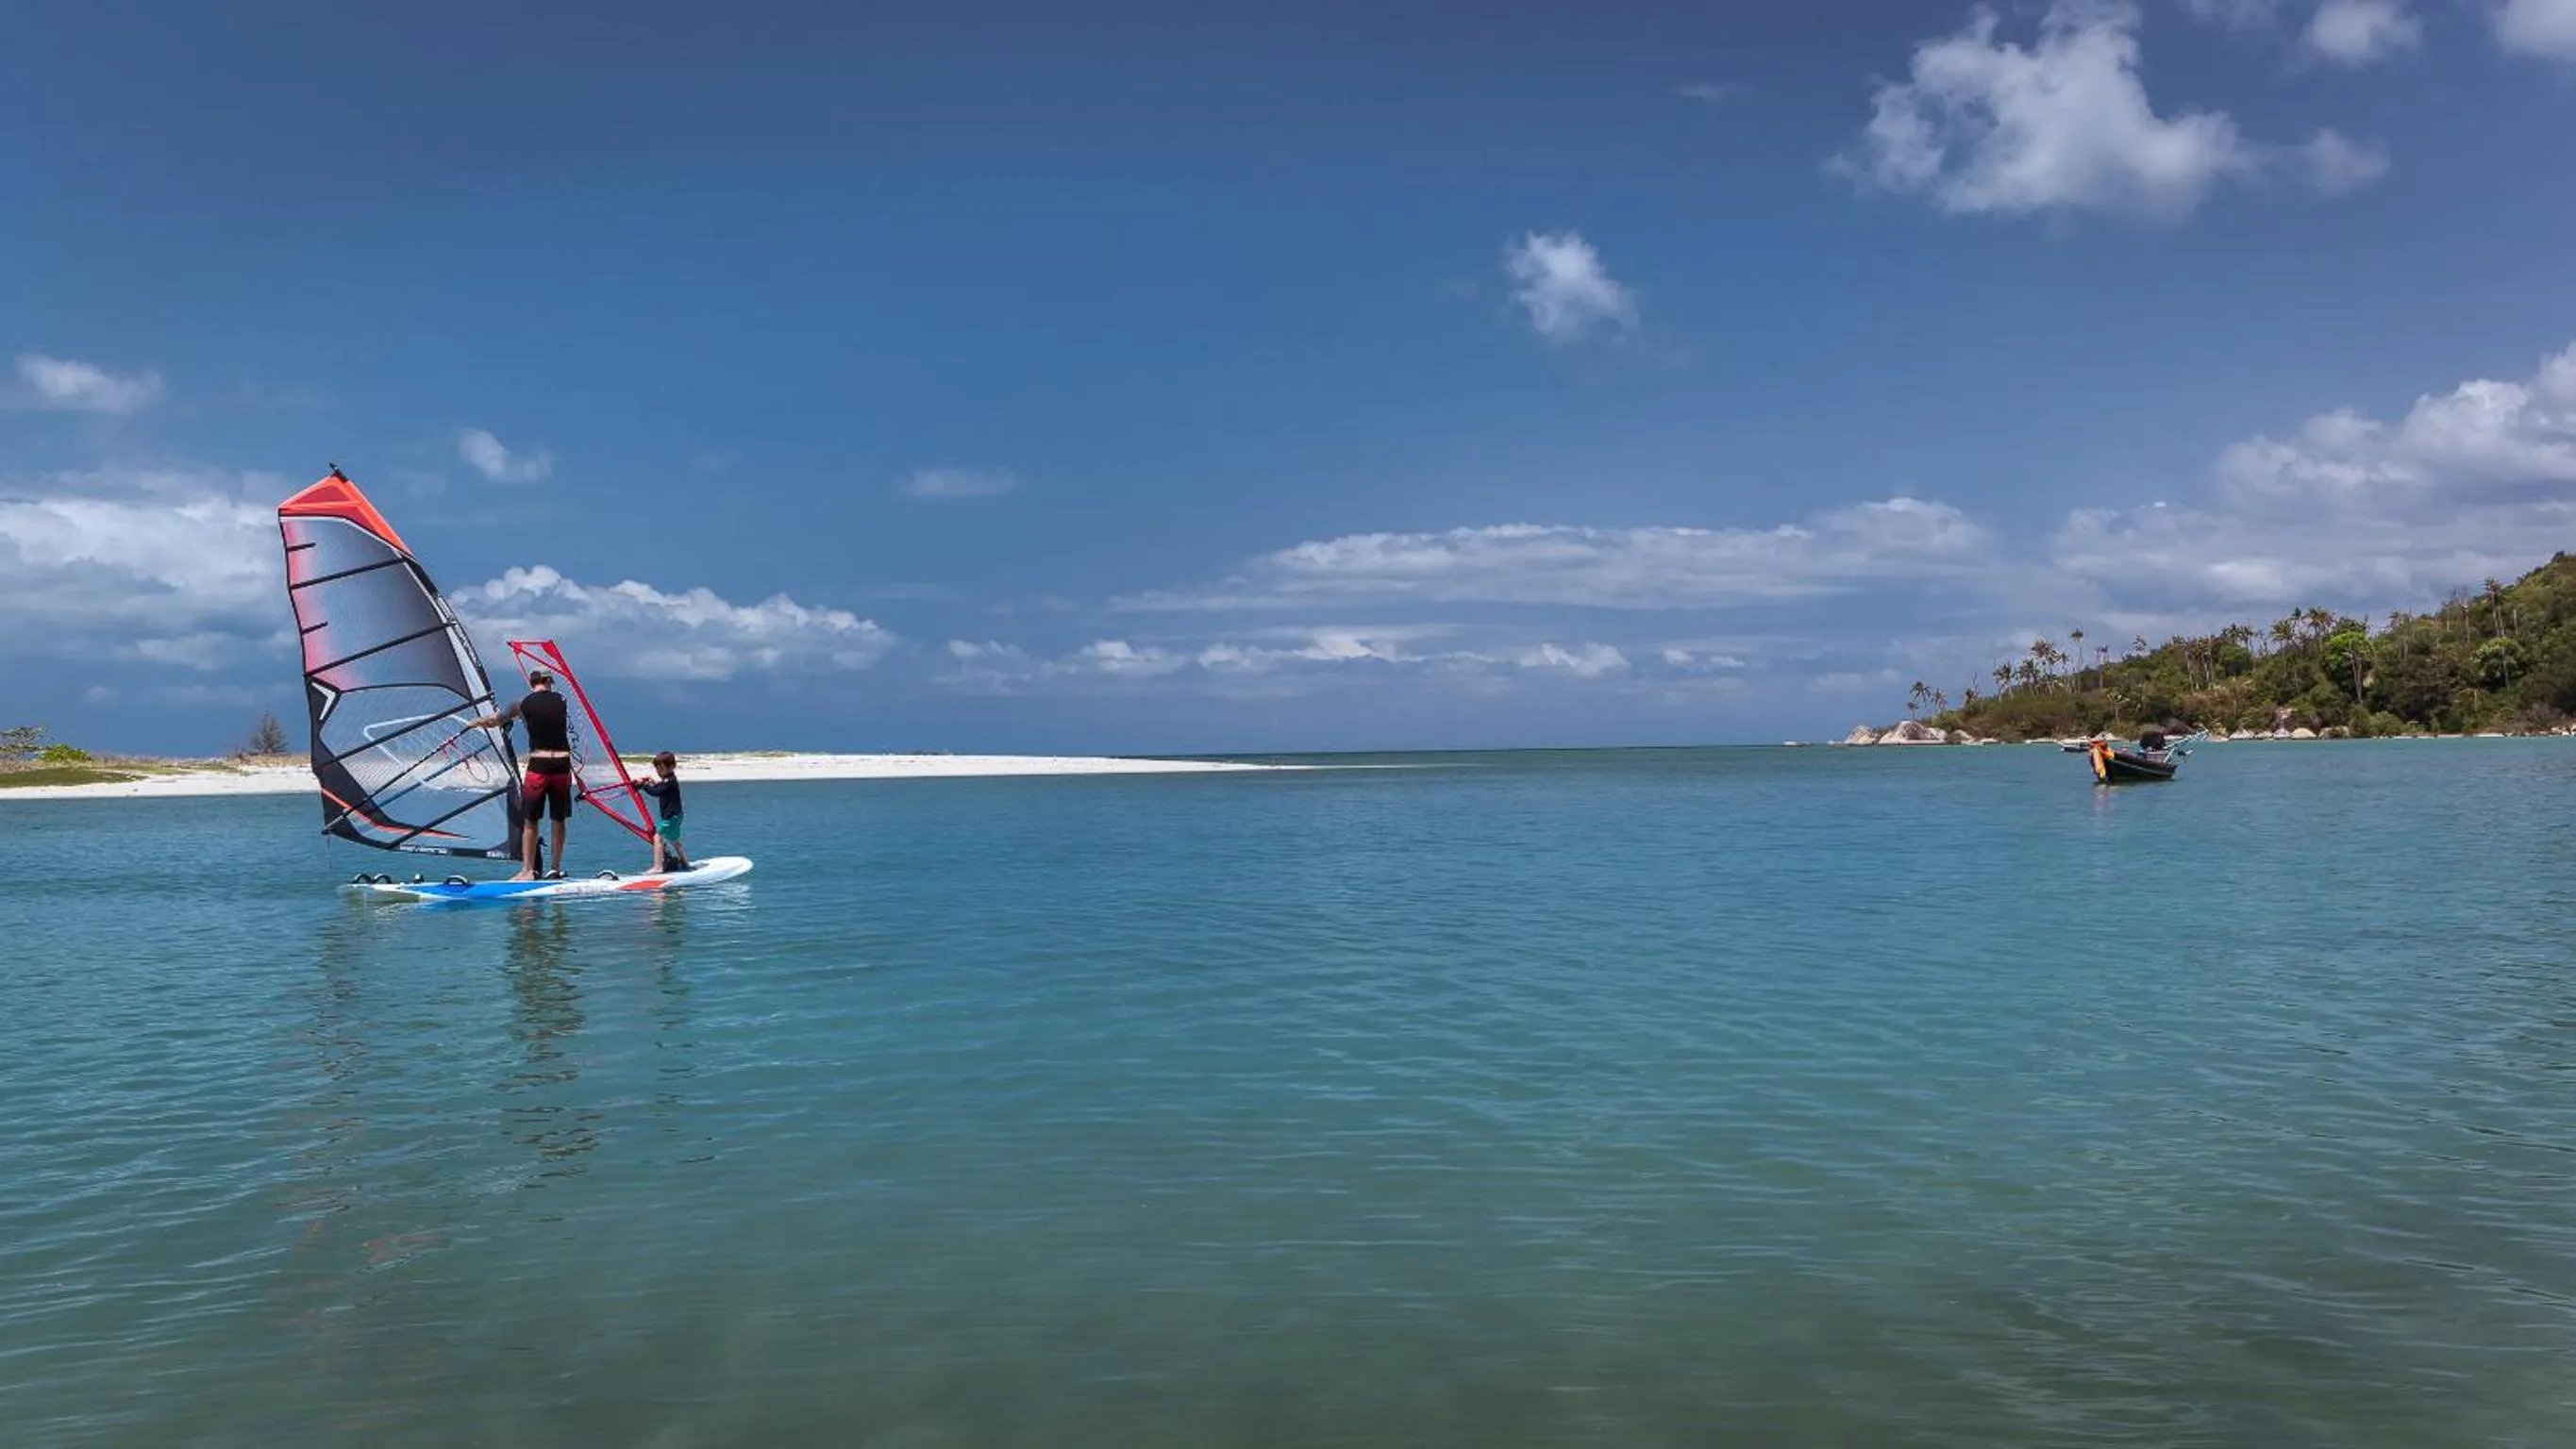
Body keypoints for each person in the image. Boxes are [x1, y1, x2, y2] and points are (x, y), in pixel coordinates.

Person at [468, 670, 574, 881]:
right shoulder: (562, 700)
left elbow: (495, 720)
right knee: (558, 819)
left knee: (531, 820)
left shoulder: (520, 703)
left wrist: (476, 722)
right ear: (548, 682)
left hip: (539, 764)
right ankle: (554, 868)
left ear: (532, 682)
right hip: (562, 764)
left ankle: (527, 871)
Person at [636, 751, 691, 873]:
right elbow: (660, 787)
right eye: (657, 769)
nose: (658, 771)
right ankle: (687, 865)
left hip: (670, 818)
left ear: (671, 767)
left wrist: (644, 786)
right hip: (676, 816)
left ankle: (658, 867)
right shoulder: (670, 779)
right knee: (675, 841)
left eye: (661, 768)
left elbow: (656, 792)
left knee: (657, 838)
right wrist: (651, 783)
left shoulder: (669, 781)